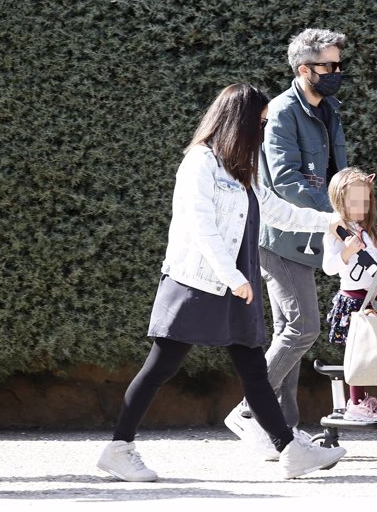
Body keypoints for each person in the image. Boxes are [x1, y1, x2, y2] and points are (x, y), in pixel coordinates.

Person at [96, 82, 347, 483]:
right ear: (239, 122)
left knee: (253, 368)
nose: (262, 132)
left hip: (236, 283)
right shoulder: (199, 163)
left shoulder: (240, 167)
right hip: (197, 282)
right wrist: (232, 277)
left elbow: (276, 211)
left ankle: (289, 450)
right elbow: (200, 226)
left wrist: (328, 221)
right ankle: (118, 449)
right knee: (162, 365)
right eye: (259, 123)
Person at [225, 28, 349, 456]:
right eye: (329, 65)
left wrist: (358, 215)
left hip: (311, 230)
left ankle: (282, 430)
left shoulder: (328, 109)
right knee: (302, 328)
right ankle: (248, 409)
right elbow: (286, 182)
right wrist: (336, 217)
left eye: (338, 64)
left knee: (287, 332)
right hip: (278, 235)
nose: (337, 72)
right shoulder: (281, 112)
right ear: (304, 69)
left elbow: (336, 174)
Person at [322, 168, 377, 422]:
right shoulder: (336, 233)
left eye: (365, 201)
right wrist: (346, 252)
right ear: (340, 201)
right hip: (352, 301)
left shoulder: (361, 229)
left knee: (368, 352)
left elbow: (370, 262)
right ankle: (356, 403)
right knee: (357, 353)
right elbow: (329, 267)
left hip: (369, 300)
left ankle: (362, 399)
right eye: (354, 202)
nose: (361, 206)